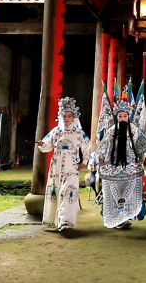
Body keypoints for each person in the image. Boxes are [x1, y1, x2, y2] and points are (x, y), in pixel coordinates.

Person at [92, 79, 146, 229]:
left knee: (129, 192)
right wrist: (100, 159)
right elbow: (104, 146)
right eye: (120, 116)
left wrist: (142, 156)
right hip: (112, 166)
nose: (122, 118)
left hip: (131, 166)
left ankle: (128, 216)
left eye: (125, 116)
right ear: (116, 117)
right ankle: (117, 217)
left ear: (128, 116)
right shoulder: (112, 130)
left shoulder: (134, 130)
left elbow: (143, 144)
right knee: (114, 192)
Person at [37, 97, 91, 231]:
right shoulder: (56, 131)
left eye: (69, 116)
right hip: (56, 167)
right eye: (64, 116)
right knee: (54, 191)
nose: (67, 118)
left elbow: (87, 147)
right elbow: (47, 146)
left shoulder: (79, 133)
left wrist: (84, 162)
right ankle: (53, 221)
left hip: (71, 167)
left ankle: (66, 221)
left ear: (74, 117)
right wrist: (42, 144)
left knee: (68, 192)